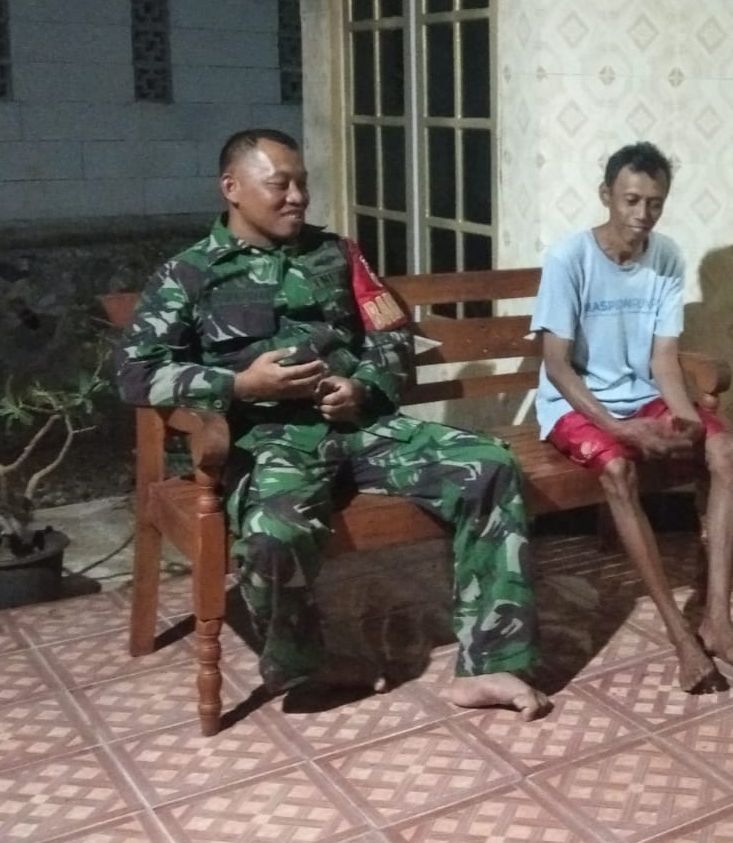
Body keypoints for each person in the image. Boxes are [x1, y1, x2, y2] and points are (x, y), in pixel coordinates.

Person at [116, 128, 547, 718]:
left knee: (488, 466)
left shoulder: (338, 254)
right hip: (268, 442)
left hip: (360, 429)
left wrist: (363, 386)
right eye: (280, 185)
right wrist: (239, 385)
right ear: (232, 188)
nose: (297, 197)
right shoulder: (189, 274)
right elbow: (135, 373)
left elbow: (392, 336)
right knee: (273, 533)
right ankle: (307, 665)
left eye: (302, 183)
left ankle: (491, 664)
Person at [532, 141, 733, 694]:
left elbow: (663, 358)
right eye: (631, 200)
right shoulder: (568, 259)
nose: (643, 214)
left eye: (655, 202)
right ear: (606, 195)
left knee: (725, 451)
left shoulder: (667, 256)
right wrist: (616, 427)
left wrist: (685, 421)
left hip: (642, 396)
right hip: (574, 403)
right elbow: (557, 364)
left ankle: (718, 618)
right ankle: (682, 637)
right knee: (618, 471)